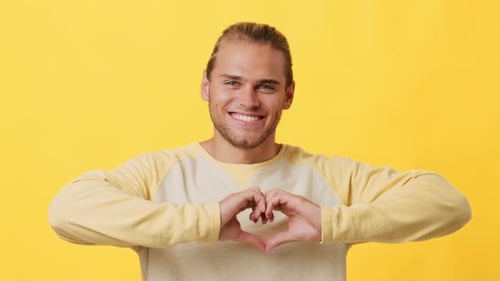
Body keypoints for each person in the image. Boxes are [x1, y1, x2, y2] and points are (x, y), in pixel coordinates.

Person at [48, 22, 471, 281]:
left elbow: (448, 203)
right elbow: (67, 212)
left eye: (265, 86)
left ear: (288, 94)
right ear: (205, 86)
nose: (247, 100)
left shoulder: (330, 177)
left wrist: (330, 222)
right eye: (232, 82)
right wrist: (208, 220)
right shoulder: (160, 173)